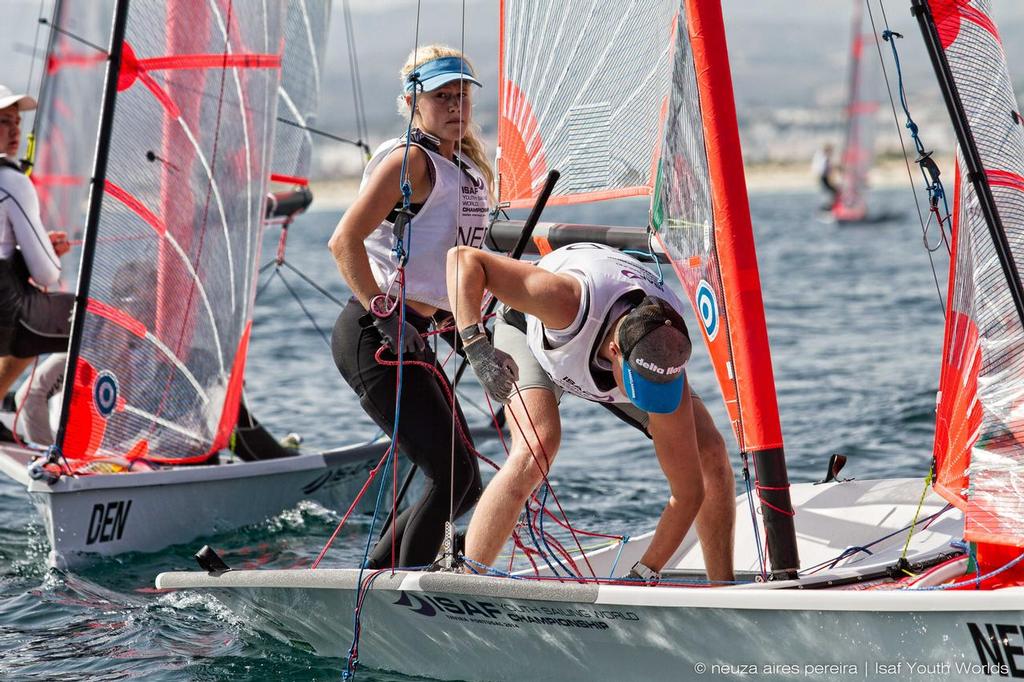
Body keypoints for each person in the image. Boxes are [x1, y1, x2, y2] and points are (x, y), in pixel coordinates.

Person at [447, 242, 736, 582]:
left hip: (625, 343)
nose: (650, 400)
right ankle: (467, 579)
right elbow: (464, 259)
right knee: (538, 446)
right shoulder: (562, 300)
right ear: (614, 351)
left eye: (659, 390)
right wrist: (476, 347)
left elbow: (687, 493)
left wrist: (644, 573)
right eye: (641, 388)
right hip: (531, 333)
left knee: (710, 453)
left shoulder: (664, 346)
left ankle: (723, 585)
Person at [328, 45, 493, 569]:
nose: (455, 105)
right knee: (456, 476)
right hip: (373, 336)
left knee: (463, 479)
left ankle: (404, 574)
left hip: (417, 335)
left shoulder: (463, 166)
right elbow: (343, 242)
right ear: (412, 101)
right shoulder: (410, 159)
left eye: (462, 94)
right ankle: (384, 585)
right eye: (441, 95)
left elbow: (448, 265)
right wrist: (384, 314)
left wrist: (465, 329)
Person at [0, 84, 73, 412]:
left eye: (16, 121)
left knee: (35, 316)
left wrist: (30, 251)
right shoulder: (12, 181)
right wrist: (47, 254)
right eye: (4, 121)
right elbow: (46, 272)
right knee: (86, 318)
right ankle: (34, 407)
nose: (15, 130)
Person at [811, 143, 839, 207]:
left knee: (832, 192)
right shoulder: (823, 158)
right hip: (823, 178)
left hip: (823, 178)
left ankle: (830, 205)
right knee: (833, 192)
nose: (832, 153)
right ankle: (830, 206)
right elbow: (825, 170)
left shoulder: (821, 157)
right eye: (831, 151)